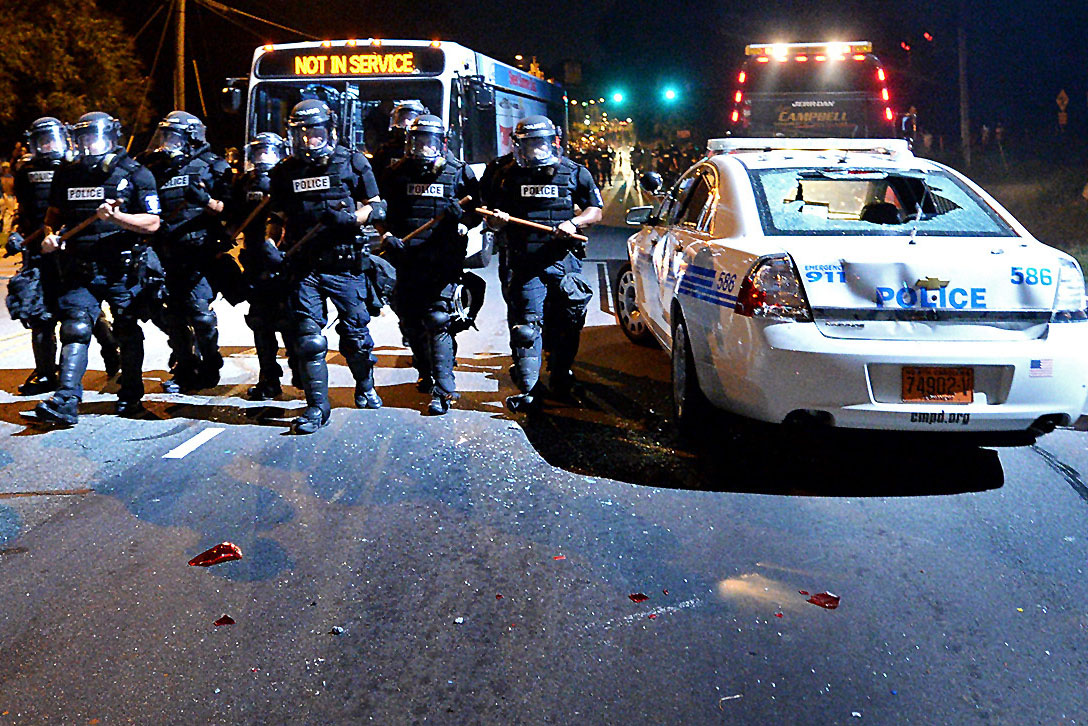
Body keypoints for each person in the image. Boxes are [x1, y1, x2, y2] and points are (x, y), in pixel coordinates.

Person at [31, 112, 161, 425]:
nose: (90, 143)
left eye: (95, 137)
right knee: (75, 328)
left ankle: (131, 398)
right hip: (80, 266)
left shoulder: (135, 173)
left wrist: (118, 219)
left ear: (112, 137)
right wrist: (50, 235)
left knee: (128, 332)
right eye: (84, 137)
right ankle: (66, 400)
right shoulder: (67, 174)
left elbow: (153, 222)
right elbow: (54, 213)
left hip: (122, 267)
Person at [267, 99, 386, 434]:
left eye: (316, 132)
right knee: (308, 340)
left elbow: (376, 208)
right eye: (302, 133)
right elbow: (275, 219)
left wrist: (350, 218)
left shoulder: (353, 162)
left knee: (355, 336)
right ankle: (317, 408)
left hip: (344, 263)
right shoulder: (285, 172)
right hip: (304, 267)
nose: (309, 139)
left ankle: (365, 384)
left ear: (329, 131)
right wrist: (269, 246)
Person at [479, 115, 602, 412]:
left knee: (568, 324)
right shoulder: (502, 173)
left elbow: (595, 210)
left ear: (553, 142)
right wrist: (495, 221)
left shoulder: (574, 172)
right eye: (529, 144)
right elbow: (484, 211)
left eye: (541, 143)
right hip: (523, 262)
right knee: (526, 327)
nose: (536, 149)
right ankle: (529, 389)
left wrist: (575, 222)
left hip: (563, 262)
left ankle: (561, 376)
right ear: (518, 145)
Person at [7, 117, 121, 395]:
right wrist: (15, 232)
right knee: (40, 313)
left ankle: (110, 348)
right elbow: (24, 207)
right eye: (41, 141)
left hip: (71, 249)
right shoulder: (25, 170)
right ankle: (46, 372)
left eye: (51, 139)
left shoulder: (75, 168)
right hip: (39, 248)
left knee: (78, 312)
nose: (47, 146)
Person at [378, 114, 480, 415]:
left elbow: (477, 214)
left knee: (438, 320)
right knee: (411, 322)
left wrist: (460, 217)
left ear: (442, 142)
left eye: (430, 141)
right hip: (406, 260)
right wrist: (387, 237)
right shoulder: (396, 173)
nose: (424, 147)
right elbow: (381, 214)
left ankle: (444, 389)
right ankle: (425, 370)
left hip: (442, 259)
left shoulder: (460, 173)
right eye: (419, 141)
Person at [141, 111, 233, 393]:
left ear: (191, 139)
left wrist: (206, 201)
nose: (166, 144)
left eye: (173, 138)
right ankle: (184, 365)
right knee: (172, 316)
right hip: (165, 252)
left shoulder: (212, 166)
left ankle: (210, 361)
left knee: (200, 315)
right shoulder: (154, 169)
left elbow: (231, 211)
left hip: (200, 253)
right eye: (164, 137)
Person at [230, 132, 297, 400]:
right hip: (257, 260)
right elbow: (234, 217)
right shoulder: (244, 183)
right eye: (258, 153)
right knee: (260, 321)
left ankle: (301, 368)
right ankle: (269, 378)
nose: (263, 159)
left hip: (287, 258)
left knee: (295, 319)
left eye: (269, 153)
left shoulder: (290, 177)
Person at [369, 100, 428, 175]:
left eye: (410, 118)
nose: (406, 122)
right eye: (402, 118)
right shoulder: (386, 151)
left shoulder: (426, 149)